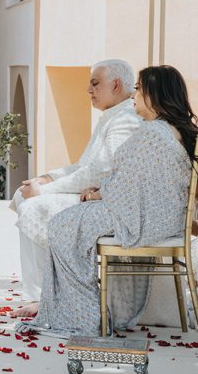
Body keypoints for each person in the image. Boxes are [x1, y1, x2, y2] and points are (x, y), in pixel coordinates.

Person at [20, 65, 198, 338]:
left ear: (155, 94)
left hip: (144, 219)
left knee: (62, 227)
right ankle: (87, 310)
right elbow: (141, 181)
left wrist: (100, 193)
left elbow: (131, 183)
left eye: (139, 90)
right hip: (158, 217)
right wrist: (106, 190)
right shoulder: (168, 130)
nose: (133, 96)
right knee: (67, 224)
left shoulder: (153, 133)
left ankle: (82, 316)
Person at [11, 60, 142, 316]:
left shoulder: (125, 119)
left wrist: (45, 191)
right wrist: (47, 178)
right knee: (22, 194)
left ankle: (42, 298)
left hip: (109, 204)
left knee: (35, 207)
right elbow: (83, 166)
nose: (89, 90)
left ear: (116, 85)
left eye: (95, 83)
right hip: (92, 194)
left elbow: (101, 170)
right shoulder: (112, 115)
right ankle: (48, 289)